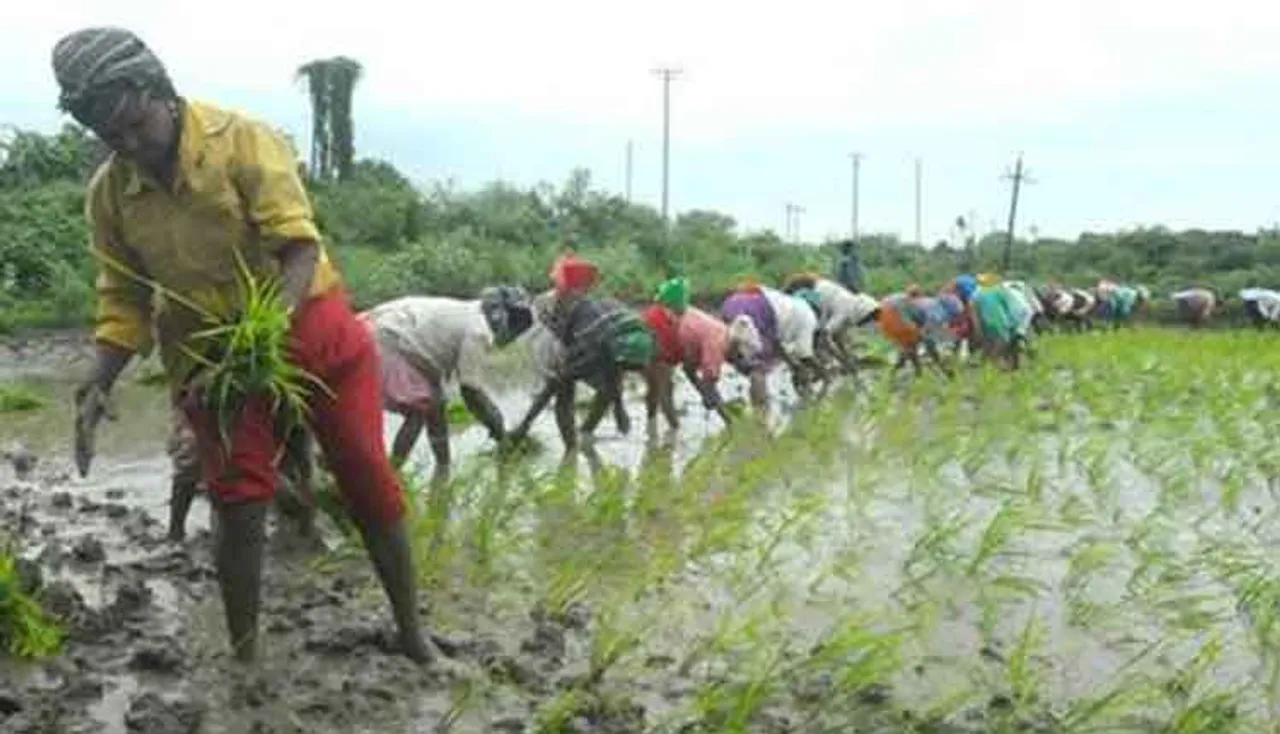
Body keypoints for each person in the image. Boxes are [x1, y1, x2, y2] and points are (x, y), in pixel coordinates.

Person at [55, 27, 433, 663]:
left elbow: (298, 248)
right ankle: (246, 659)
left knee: (367, 476)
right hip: (209, 360)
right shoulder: (110, 195)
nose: (129, 145)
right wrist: (99, 380)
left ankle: (414, 637)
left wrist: (261, 338)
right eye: (109, 136)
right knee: (238, 505)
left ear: (160, 92)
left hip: (308, 327)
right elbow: (122, 298)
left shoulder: (243, 140)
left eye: (136, 125)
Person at [358, 286, 534, 474]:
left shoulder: (472, 312)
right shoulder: (478, 332)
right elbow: (471, 393)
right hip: (388, 340)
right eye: (513, 333)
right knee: (418, 409)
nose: (510, 340)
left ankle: (443, 467)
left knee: (435, 404)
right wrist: (500, 433)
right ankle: (391, 474)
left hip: (387, 329)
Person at [509, 254, 655, 451]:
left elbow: (612, 368)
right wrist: (525, 424)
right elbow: (556, 379)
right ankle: (570, 448)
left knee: (601, 386)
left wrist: (619, 407)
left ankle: (582, 435)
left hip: (591, 340)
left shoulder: (605, 321)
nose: (577, 293)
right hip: (556, 343)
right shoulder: (549, 304)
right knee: (563, 391)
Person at [720, 280, 826, 404]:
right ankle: (761, 415)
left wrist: (793, 365)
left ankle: (750, 404)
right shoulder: (809, 315)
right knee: (758, 367)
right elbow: (805, 354)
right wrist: (823, 373)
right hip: (755, 313)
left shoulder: (787, 305)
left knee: (739, 357)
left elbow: (776, 345)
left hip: (730, 304)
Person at [782, 273, 879, 374]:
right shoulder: (845, 311)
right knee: (811, 339)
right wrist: (843, 360)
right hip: (814, 297)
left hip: (821, 295)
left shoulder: (850, 306)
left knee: (818, 342)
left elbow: (837, 336)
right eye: (867, 320)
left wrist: (846, 356)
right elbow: (825, 337)